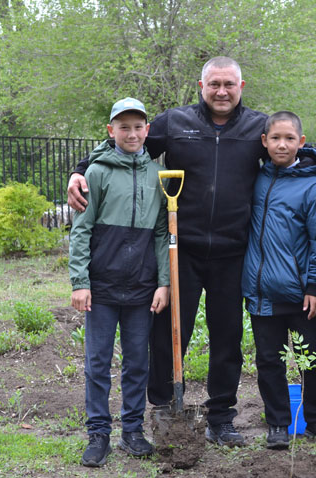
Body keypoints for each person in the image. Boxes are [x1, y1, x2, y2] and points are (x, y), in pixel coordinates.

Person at [67, 57, 267, 447]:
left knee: (227, 336)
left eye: (229, 84)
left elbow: (287, 150)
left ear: (242, 86)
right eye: (214, 84)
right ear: (201, 86)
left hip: (232, 252)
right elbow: (128, 143)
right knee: (168, 331)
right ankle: (161, 406)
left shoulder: (257, 127)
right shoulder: (176, 123)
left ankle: (221, 416)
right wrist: (80, 167)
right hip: (183, 251)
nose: (221, 91)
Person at [69, 97, 170, 467]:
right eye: (123, 127)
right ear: (111, 131)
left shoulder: (156, 175)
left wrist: (163, 282)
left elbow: (161, 233)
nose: (131, 133)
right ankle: (98, 433)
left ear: (147, 131)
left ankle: (132, 430)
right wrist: (80, 282)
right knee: (97, 362)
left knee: (137, 362)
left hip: (143, 288)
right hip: (102, 287)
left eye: (138, 126)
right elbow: (81, 231)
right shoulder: (95, 174)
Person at [242, 111, 316, 450]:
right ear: (264, 142)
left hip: (301, 294)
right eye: (275, 138)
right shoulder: (254, 179)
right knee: (269, 360)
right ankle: (278, 424)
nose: (281, 144)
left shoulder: (314, 184)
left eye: (289, 138)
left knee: (312, 357)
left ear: (301, 142)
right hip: (261, 293)